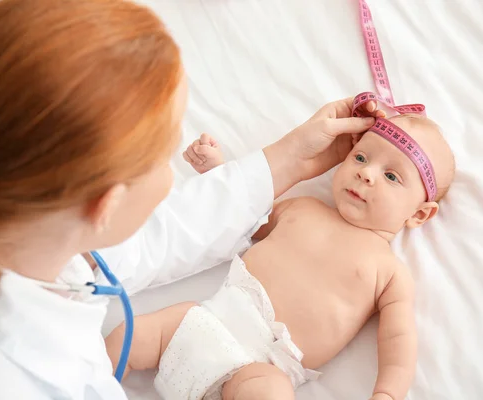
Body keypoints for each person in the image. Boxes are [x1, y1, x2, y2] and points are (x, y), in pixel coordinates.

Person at [0, 0, 380, 398]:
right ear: (105, 206)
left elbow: (159, 234)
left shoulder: (30, 231)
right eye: (164, 155)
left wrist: (292, 159)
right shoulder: (6, 380)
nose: (173, 173)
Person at [105, 111, 456, 400]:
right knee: (125, 336)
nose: (366, 172)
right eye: (361, 157)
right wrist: (218, 173)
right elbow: (246, 219)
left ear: (419, 214)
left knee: (272, 393)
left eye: (391, 176)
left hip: (258, 368)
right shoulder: (302, 208)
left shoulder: (390, 273)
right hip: (198, 322)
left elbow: (398, 340)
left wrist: (387, 393)